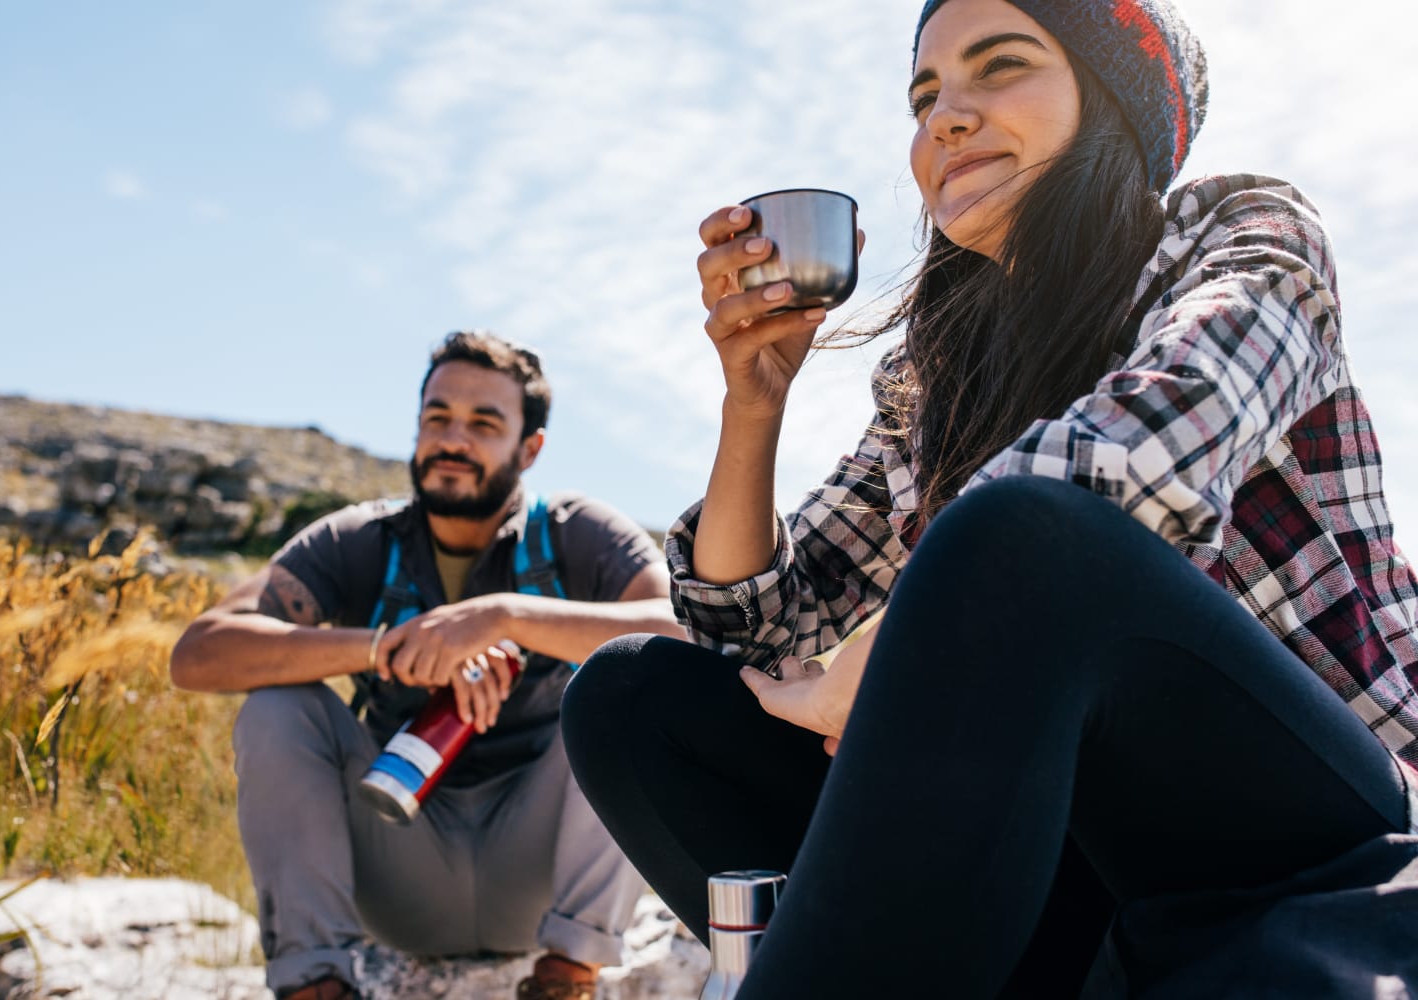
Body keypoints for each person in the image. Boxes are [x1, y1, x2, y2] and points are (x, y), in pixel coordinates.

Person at [560, 0, 1418, 996]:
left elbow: (1149, 453)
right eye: (923, 96)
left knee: (1025, 542)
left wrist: (889, 648)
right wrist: (750, 402)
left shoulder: (1236, 234)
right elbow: (763, 639)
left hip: (1308, 840)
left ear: (1112, 105)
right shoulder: (927, 382)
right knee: (636, 698)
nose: (943, 121)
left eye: (997, 67)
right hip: (1066, 863)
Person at [171, 331, 682, 1000]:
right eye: (437, 418)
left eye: (483, 423)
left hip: (543, 878)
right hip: (397, 866)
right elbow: (200, 653)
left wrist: (502, 617)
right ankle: (315, 985)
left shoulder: (577, 534)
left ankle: (568, 980)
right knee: (278, 706)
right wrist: (386, 647)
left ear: (530, 449)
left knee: (630, 687)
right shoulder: (357, 540)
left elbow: (682, 639)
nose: (453, 440)